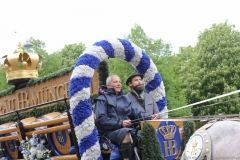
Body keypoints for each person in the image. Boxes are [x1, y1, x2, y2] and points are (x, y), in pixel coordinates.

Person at [94, 75, 159, 160]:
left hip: (128, 130)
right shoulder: (102, 99)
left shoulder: (125, 99)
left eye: (120, 82)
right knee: (125, 132)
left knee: (148, 132)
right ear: (108, 86)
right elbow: (101, 120)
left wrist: (150, 116)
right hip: (108, 133)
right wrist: (120, 124)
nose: (119, 84)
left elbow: (137, 112)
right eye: (115, 82)